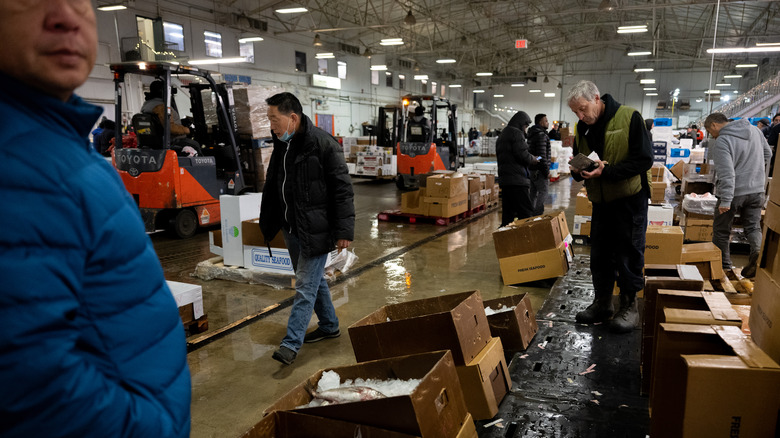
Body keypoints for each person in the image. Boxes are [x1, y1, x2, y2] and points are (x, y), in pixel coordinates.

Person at [0, 1, 191, 437]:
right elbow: (31, 379)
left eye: (80, 1)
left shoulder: (50, 143)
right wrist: (148, 426)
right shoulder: (20, 167)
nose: (65, 16)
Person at [260, 92, 355, 365]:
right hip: (292, 228)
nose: (271, 124)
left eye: (274, 118)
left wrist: (343, 232)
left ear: (292, 117)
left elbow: (342, 191)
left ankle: (291, 344)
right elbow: (274, 185)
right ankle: (329, 325)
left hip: (317, 229)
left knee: (304, 286)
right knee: (312, 282)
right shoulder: (282, 144)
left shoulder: (323, 145)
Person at [566, 80, 653, 334]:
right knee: (601, 255)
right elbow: (579, 160)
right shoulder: (582, 127)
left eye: (583, 109)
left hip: (630, 200)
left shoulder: (630, 117)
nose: (580, 116)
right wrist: (578, 173)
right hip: (601, 201)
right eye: (575, 112)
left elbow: (645, 159)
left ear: (596, 98)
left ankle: (629, 307)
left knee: (628, 253)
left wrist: (609, 171)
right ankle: (603, 303)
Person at [704, 113, 771, 278]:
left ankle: (724, 269)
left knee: (721, 230)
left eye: (708, 131)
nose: (711, 135)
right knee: (753, 227)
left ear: (713, 125)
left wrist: (726, 199)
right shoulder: (755, 131)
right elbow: (768, 154)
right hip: (756, 190)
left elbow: (726, 173)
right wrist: (752, 171)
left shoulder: (722, 141)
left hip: (733, 193)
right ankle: (757, 254)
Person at [496, 111, 538, 226]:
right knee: (526, 212)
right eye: (525, 126)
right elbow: (523, 155)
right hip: (517, 181)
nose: (525, 129)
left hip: (506, 181)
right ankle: (526, 240)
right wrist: (533, 159)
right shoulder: (516, 134)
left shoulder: (504, 133)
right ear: (520, 124)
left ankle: (506, 239)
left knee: (508, 215)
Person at [527, 113, 551, 216]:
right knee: (543, 192)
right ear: (541, 122)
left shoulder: (532, 133)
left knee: (533, 193)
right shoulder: (541, 135)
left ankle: (530, 214)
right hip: (539, 170)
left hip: (532, 169)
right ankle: (537, 214)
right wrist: (546, 171)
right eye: (546, 121)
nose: (548, 122)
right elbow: (542, 155)